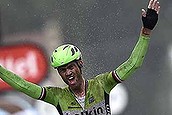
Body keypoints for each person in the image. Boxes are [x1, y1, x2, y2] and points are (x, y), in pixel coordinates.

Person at [0, 0, 160, 115]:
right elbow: (23, 85)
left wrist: (146, 31)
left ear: (80, 63)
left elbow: (133, 64)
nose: (68, 73)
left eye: (71, 67)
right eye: (62, 70)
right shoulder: (56, 96)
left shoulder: (101, 84)